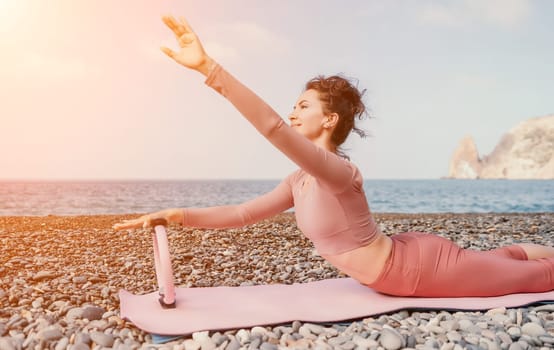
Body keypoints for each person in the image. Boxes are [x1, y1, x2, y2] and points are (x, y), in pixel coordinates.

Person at [114, 15, 554, 297]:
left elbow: (271, 127)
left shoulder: (337, 172)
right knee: (506, 260)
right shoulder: (299, 180)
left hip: (419, 270)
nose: (292, 111)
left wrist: (211, 70)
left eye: (304, 105)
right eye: (294, 104)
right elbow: (243, 213)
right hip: (407, 261)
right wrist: (176, 214)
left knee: (535, 279)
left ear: (329, 121)